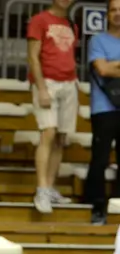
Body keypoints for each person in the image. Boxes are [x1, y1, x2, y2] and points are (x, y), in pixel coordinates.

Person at [26, 0, 78, 214]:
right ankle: (41, 189)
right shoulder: (39, 20)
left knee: (60, 138)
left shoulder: (72, 24)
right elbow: (33, 56)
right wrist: (41, 88)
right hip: (47, 82)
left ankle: (50, 186)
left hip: (69, 83)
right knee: (48, 133)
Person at [83, 0, 120, 225]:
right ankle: (98, 207)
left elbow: (109, 67)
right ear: (106, 14)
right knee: (100, 159)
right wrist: (110, 66)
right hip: (103, 108)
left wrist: (114, 65)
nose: (118, 14)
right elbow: (102, 69)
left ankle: (117, 205)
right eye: (114, 10)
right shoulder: (97, 40)